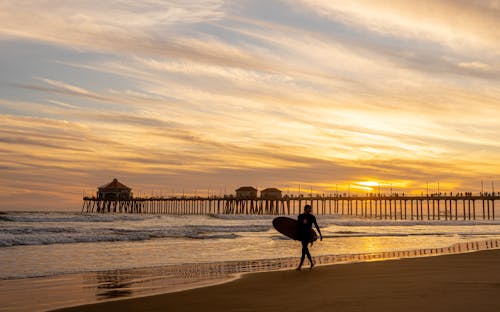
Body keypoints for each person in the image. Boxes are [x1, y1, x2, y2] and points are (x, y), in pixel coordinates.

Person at [296, 204, 322, 270]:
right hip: (302, 235)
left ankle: (300, 265)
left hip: (308, 235)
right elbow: (298, 226)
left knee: (304, 249)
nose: (310, 210)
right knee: (305, 249)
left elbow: (316, 225)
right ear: (305, 209)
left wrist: (320, 234)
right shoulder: (300, 216)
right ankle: (311, 263)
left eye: (310, 208)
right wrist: (296, 235)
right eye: (308, 208)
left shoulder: (312, 217)